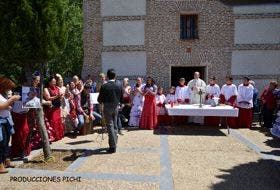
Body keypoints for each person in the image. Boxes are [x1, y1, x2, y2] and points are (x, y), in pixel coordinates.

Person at [98, 69, 123, 153]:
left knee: (110, 126)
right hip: (116, 106)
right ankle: (114, 143)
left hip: (107, 107)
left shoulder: (104, 86)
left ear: (107, 76)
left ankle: (113, 146)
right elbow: (121, 97)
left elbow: (99, 99)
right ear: (115, 76)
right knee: (115, 125)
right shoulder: (119, 85)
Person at [0, 76, 21, 173]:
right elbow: (1, 106)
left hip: (6, 119)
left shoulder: (3, 94)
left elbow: (5, 106)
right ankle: (0, 165)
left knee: (7, 140)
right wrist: (12, 99)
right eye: (8, 87)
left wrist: (9, 104)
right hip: (1, 121)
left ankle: (6, 160)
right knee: (1, 142)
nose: (9, 89)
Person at [11, 84, 30, 159]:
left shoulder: (28, 89)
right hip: (16, 113)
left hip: (24, 114)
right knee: (16, 132)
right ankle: (16, 151)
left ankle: (24, 150)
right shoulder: (14, 89)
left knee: (24, 132)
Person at [43, 76, 64, 141]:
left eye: (55, 82)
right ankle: (52, 136)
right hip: (51, 108)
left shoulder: (57, 88)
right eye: (53, 82)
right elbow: (48, 98)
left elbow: (61, 96)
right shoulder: (46, 89)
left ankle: (58, 136)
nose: (54, 83)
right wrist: (57, 96)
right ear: (49, 82)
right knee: (53, 121)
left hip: (57, 107)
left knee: (58, 121)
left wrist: (61, 96)